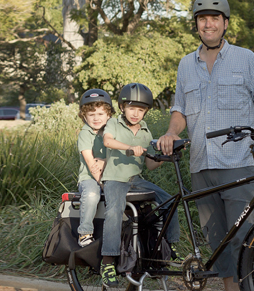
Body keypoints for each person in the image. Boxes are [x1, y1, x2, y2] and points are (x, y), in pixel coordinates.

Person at [157, 0, 254, 291]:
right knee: (217, 243)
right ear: (196, 25)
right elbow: (179, 109)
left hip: (238, 163)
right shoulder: (185, 64)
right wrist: (172, 132)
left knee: (243, 239)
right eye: (203, 18)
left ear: (225, 23)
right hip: (201, 165)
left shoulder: (246, 58)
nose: (209, 23)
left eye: (215, 18)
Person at [100, 83, 181, 287]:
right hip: (115, 179)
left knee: (169, 200)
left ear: (146, 111)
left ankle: (168, 248)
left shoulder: (145, 132)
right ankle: (107, 261)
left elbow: (150, 164)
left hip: (136, 181)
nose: (136, 113)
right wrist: (130, 147)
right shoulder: (113, 124)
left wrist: (164, 156)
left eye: (141, 109)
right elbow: (108, 142)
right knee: (114, 212)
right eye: (131, 108)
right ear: (122, 107)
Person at [76, 89, 115, 247]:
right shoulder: (85, 134)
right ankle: (85, 232)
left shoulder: (112, 132)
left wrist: (105, 161)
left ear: (109, 115)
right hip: (90, 178)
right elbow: (92, 166)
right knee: (92, 193)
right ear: (84, 116)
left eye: (100, 114)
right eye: (91, 115)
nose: (96, 118)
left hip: (111, 176)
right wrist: (104, 186)